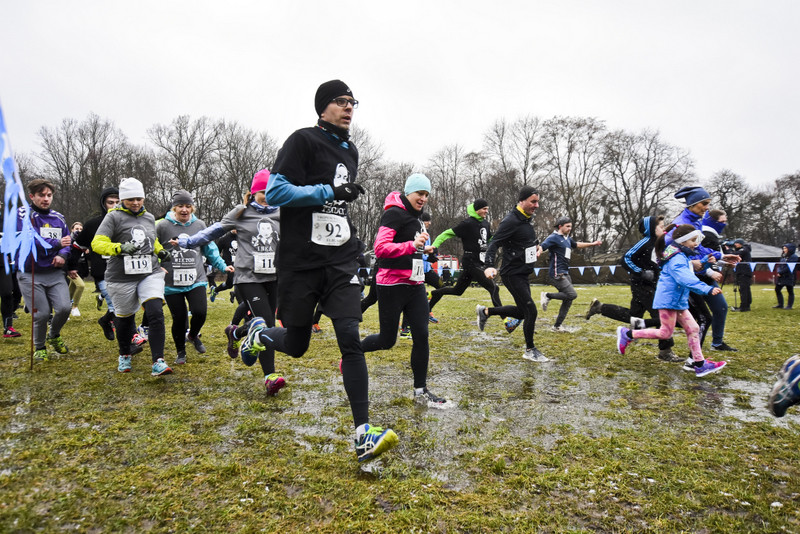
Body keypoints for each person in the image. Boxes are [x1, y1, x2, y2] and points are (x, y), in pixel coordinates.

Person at [239, 80, 398, 463]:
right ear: (323, 107)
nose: (349, 108)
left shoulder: (351, 150)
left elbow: (338, 208)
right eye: (341, 102)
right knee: (296, 345)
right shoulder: (302, 140)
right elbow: (276, 193)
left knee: (349, 333)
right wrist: (326, 191)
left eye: (352, 102)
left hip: (338, 260)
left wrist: (354, 243)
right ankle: (259, 333)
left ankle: (362, 433)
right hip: (301, 262)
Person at [176, 171, 283, 392]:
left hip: (274, 276)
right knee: (267, 324)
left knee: (266, 323)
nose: (268, 196)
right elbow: (214, 231)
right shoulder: (241, 212)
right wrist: (188, 241)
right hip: (248, 277)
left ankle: (236, 333)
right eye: (263, 192)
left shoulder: (283, 213)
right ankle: (270, 376)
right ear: (254, 193)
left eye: (272, 191)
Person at [360, 174, 451, 408]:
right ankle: (352, 352)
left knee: (422, 336)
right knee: (387, 340)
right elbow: (380, 248)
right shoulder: (393, 214)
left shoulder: (417, 219)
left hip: (415, 284)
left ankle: (420, 390)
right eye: (420, 193)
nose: (423, 198)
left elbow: (413, 249)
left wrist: (425, 250)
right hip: (391, 284)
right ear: (408, 192)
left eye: (427, 195)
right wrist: (412, 245)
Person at [616, 224, 727, 377]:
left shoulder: (682, 255)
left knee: (693, 328)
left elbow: (689, 268)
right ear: (683, 241)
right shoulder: (676, 257)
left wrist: (705, 261)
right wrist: (706, 289)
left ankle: (699, 364)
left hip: (678, 301)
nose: (696, 243)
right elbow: (684, 278)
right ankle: (628, 334)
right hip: (668, 301)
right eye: (693, 240)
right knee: (665, 332)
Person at [92, 177, 173, 376]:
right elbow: (97, 243)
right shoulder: (113, 217)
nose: (136, 203)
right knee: (125, 318)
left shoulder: (148, 217)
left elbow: (151, 241)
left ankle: (158, 361)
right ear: (122, 199)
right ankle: (124, 353)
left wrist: (160, 251)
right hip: (121, 276)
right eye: (130, 199)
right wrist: (119, 248)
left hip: (149, 272)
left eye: (139, 198)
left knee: (155, 312)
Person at [585, 215, 680, 362]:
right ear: (650, 229)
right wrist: (640, 272)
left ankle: (601, 307)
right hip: (641, 284)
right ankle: (665, 351)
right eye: (660, 226)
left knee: (633, 316)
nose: (663, 228)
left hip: (651, 284)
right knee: (662, 316)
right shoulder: (644, 242)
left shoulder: (658, 242)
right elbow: (626, 258)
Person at [158, 190, 232, 365]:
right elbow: (152, 247)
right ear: (174, 208)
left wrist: (222, 266)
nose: (184, 210)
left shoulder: (199, 225)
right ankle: (180, 351)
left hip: (196, 279)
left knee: (200, 313)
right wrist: (157, 266)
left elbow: (210, 249)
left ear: (192, 208)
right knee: (179, 318)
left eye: (188, 206)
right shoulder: (162, 226)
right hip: (171, 282)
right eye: (180, 206)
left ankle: (192, 336)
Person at [668, 186, 741, 352]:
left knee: (719, 307)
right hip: (686, 278)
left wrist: (721, 257)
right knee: (696, 318)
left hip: (700, 275)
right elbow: (664, 250)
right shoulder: (680, 224)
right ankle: (692, 358)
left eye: (709, 203)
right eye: (704, 203)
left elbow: (697, 248)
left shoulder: (696, 222)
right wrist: (689, 263)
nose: (707, 207)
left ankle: (715, 344)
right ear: (693, 204)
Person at [481, 185, 548, 362]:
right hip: (513, 273)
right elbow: (494, 244)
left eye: (538, 202)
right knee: (531, 311)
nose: (536, 205)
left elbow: (527, 239)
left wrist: (537, 247)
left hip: (523, 272)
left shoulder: (526, 219)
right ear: (522, 200)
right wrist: (488, 265)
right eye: (533, 201)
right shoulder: (511, 220)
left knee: (523, 311)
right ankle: (530, 350)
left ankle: (486, 312)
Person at [16, 179, 72, 361]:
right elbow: (29, 240)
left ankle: (53, 335)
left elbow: (67, 241)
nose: (46, 199)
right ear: (32, 196)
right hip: (30, 272)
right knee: (41, 313)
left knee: (64, 308)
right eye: (41, 195)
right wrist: (56, 244)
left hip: (54, 272)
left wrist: (62, 255)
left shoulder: (58, 217)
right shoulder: (23, 215)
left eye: (49, 195)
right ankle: (39, 347)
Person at [427, 199, 505, 324]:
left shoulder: (486, 224)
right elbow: (446, 234)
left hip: (479, 262)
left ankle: (431, 296)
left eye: (487, 209)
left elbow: (490, 239)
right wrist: (434, 246)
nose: (486, 211)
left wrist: (502, 239)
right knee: (494, 288)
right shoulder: (467, 224)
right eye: (484, 209)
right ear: (476, 209)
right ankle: (506, 320)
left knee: (457, 291)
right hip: (470, 262)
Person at [72, 187, 120, 341]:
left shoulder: (128, 223)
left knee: (125, 306)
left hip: (124, 271)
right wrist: (71, 266)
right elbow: (77, 247)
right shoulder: (93, 225)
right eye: (110, 202)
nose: (114, 206)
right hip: (103, 272)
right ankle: (130, 340)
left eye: (118, 202)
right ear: (103, 204)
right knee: (116, 305)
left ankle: (105, 321)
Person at [539, 217, 602, 331]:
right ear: (560, 226)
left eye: (571, 227)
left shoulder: (567, 239)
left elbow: (577, 244)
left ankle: (557, 326)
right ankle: (547, 295)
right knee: (572, 294)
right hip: (556, 273)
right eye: (567, 226)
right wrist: (538, 250)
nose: (570, 229)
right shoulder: (553, 237)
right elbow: (542, 246)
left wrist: (592, 244)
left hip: (565, 273)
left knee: (568, 300)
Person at [399, 210, 444, 338]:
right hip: (417, 270)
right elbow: (416, 251)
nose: (429, 223)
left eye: (429, 220)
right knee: (410, 299)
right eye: (426, 220)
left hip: (427, 270)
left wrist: (432, 256)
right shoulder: (416, 231)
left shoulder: (427, 234)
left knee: (442, 287)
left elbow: (426, 251)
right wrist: (426, 257)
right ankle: (405, 329)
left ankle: (428, 309)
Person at [67, 221, 87, 317]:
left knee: (72, 287)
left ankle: (66, 310)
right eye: (77, 229)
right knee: (81, 285)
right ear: (72, 229)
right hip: (67, 267)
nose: (79, 231)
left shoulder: (82, 241)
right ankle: (74, 307)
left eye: (81, 229)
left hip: (77, 267)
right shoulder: (69, 239)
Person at [731, 239, 753, 312]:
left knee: (744, 290)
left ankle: (744, 307)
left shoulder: (744, 249)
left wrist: (728, 250)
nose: (735, 244)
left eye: (737, 243)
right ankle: (746, 305)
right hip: (743, 272)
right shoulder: (745, 249)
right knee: (745, 289)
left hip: (744, 272)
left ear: (741, 244)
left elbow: (735, 255)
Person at [774, 243, 797, 310]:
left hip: (789, 276)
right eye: (783, 248)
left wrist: (781, 272)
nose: (784, 250)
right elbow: (780, 265)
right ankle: (780, 304)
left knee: (790, 290)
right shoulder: (783, 256)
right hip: (781, 276)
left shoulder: (794, 256)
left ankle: (789, 306)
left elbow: (789, 267)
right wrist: (778, 271)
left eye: (785, 248)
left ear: (790, 249)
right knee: (777, 289)